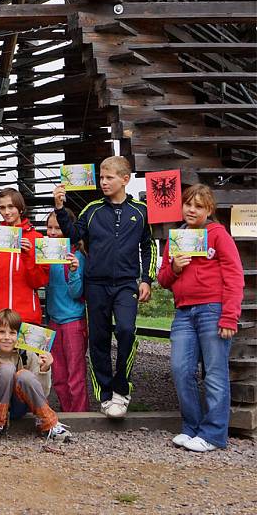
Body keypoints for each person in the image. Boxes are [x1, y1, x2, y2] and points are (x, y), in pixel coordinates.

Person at [54, 156, 155, 418]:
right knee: (98, 340)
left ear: (125, 179)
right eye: (101, 177)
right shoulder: (92, 209)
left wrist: (146, 279)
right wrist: (60, 208)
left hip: (126, 284)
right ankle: (106, 395)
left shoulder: (141, 211)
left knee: (125, 331)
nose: (103, 182)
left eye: (109, 177)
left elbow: (148, 246)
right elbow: (73, 235)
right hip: (95, 284)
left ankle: (122, 390)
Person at [158, 184, 243, 453]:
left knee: (215, 375)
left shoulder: (218, 234)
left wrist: (230, 316)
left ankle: (214, 434)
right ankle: (192, 429)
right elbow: (163, 280)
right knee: (181, 370)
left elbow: (234, 276)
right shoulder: (177, 238)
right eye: (188, 204)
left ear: (209, 210)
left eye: (198, 206)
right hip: (183, 312)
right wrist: (174, 267)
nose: (191, 210)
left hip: (213, 310)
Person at [0, 309, 72, 444]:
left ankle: (49, 423)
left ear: (19, 335)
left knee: (24, 375)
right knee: (7, 369)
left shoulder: (26, 352)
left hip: (19, 406)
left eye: (12, 333)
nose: (7, 337)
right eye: (2, 332)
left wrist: (44, 369)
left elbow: (43, 392)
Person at [0, 188, 49, 324]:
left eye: (11, 206)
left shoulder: (37, 238)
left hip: (27, 316)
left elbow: (39, 282)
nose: (6, 212)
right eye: (2, 208)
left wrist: (28, 256)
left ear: (20, 208)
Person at [44, 209, 89, 412]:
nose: (52, 232)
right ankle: (66, 411)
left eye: (58, 228)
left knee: (75, 373)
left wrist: (73, 271)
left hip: (73, 320)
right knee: (59, 374)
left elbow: (77, 292)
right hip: (53, 320)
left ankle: (80, 415)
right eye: (49, 227)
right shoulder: (44, 254)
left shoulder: (77, 255)